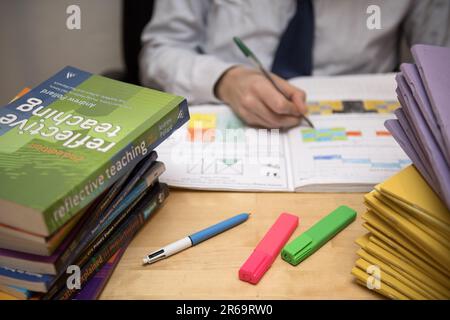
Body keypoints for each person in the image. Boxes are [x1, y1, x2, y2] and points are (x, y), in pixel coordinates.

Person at [139, 0, 449, 129]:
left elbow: (438, 73)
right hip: (225, 121)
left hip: (355, 134)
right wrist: (224, 80)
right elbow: (159, 52)